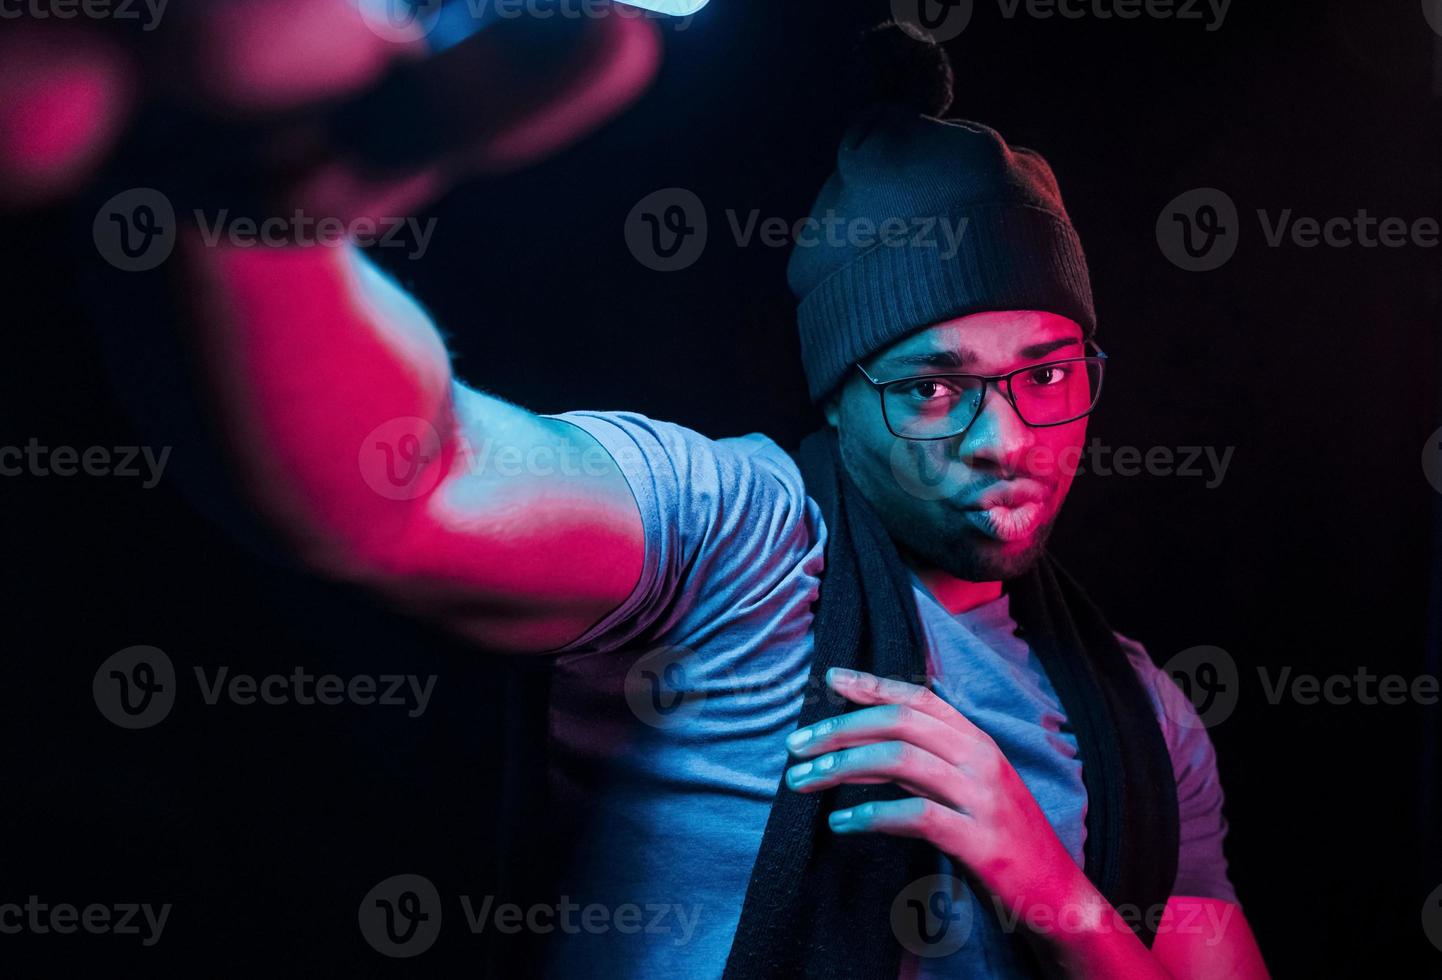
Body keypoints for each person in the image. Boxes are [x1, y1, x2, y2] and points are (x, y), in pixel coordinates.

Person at [13, 5, 1269, 976]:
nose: (1004, 435)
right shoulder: (744, 535)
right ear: (840, 393)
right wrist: (267, 217)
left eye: (1044, 372)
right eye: (936, 386)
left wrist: (1040, 876)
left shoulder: (1143, 714)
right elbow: (412, 485)